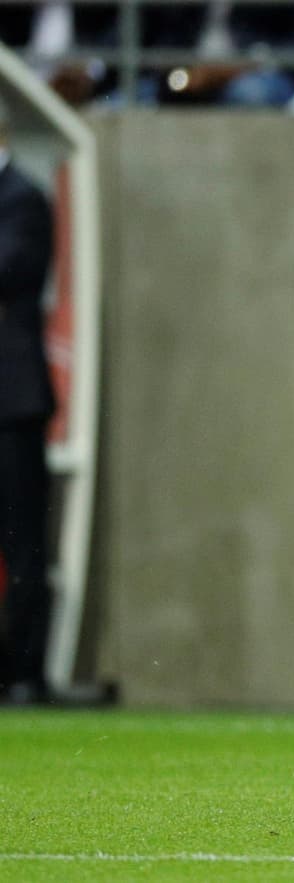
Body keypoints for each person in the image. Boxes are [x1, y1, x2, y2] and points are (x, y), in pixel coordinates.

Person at [0, 95, 56, 705]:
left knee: (21, 540)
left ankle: (25, 673)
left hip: (10, 399)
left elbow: (10, 268)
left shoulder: (22, 197)